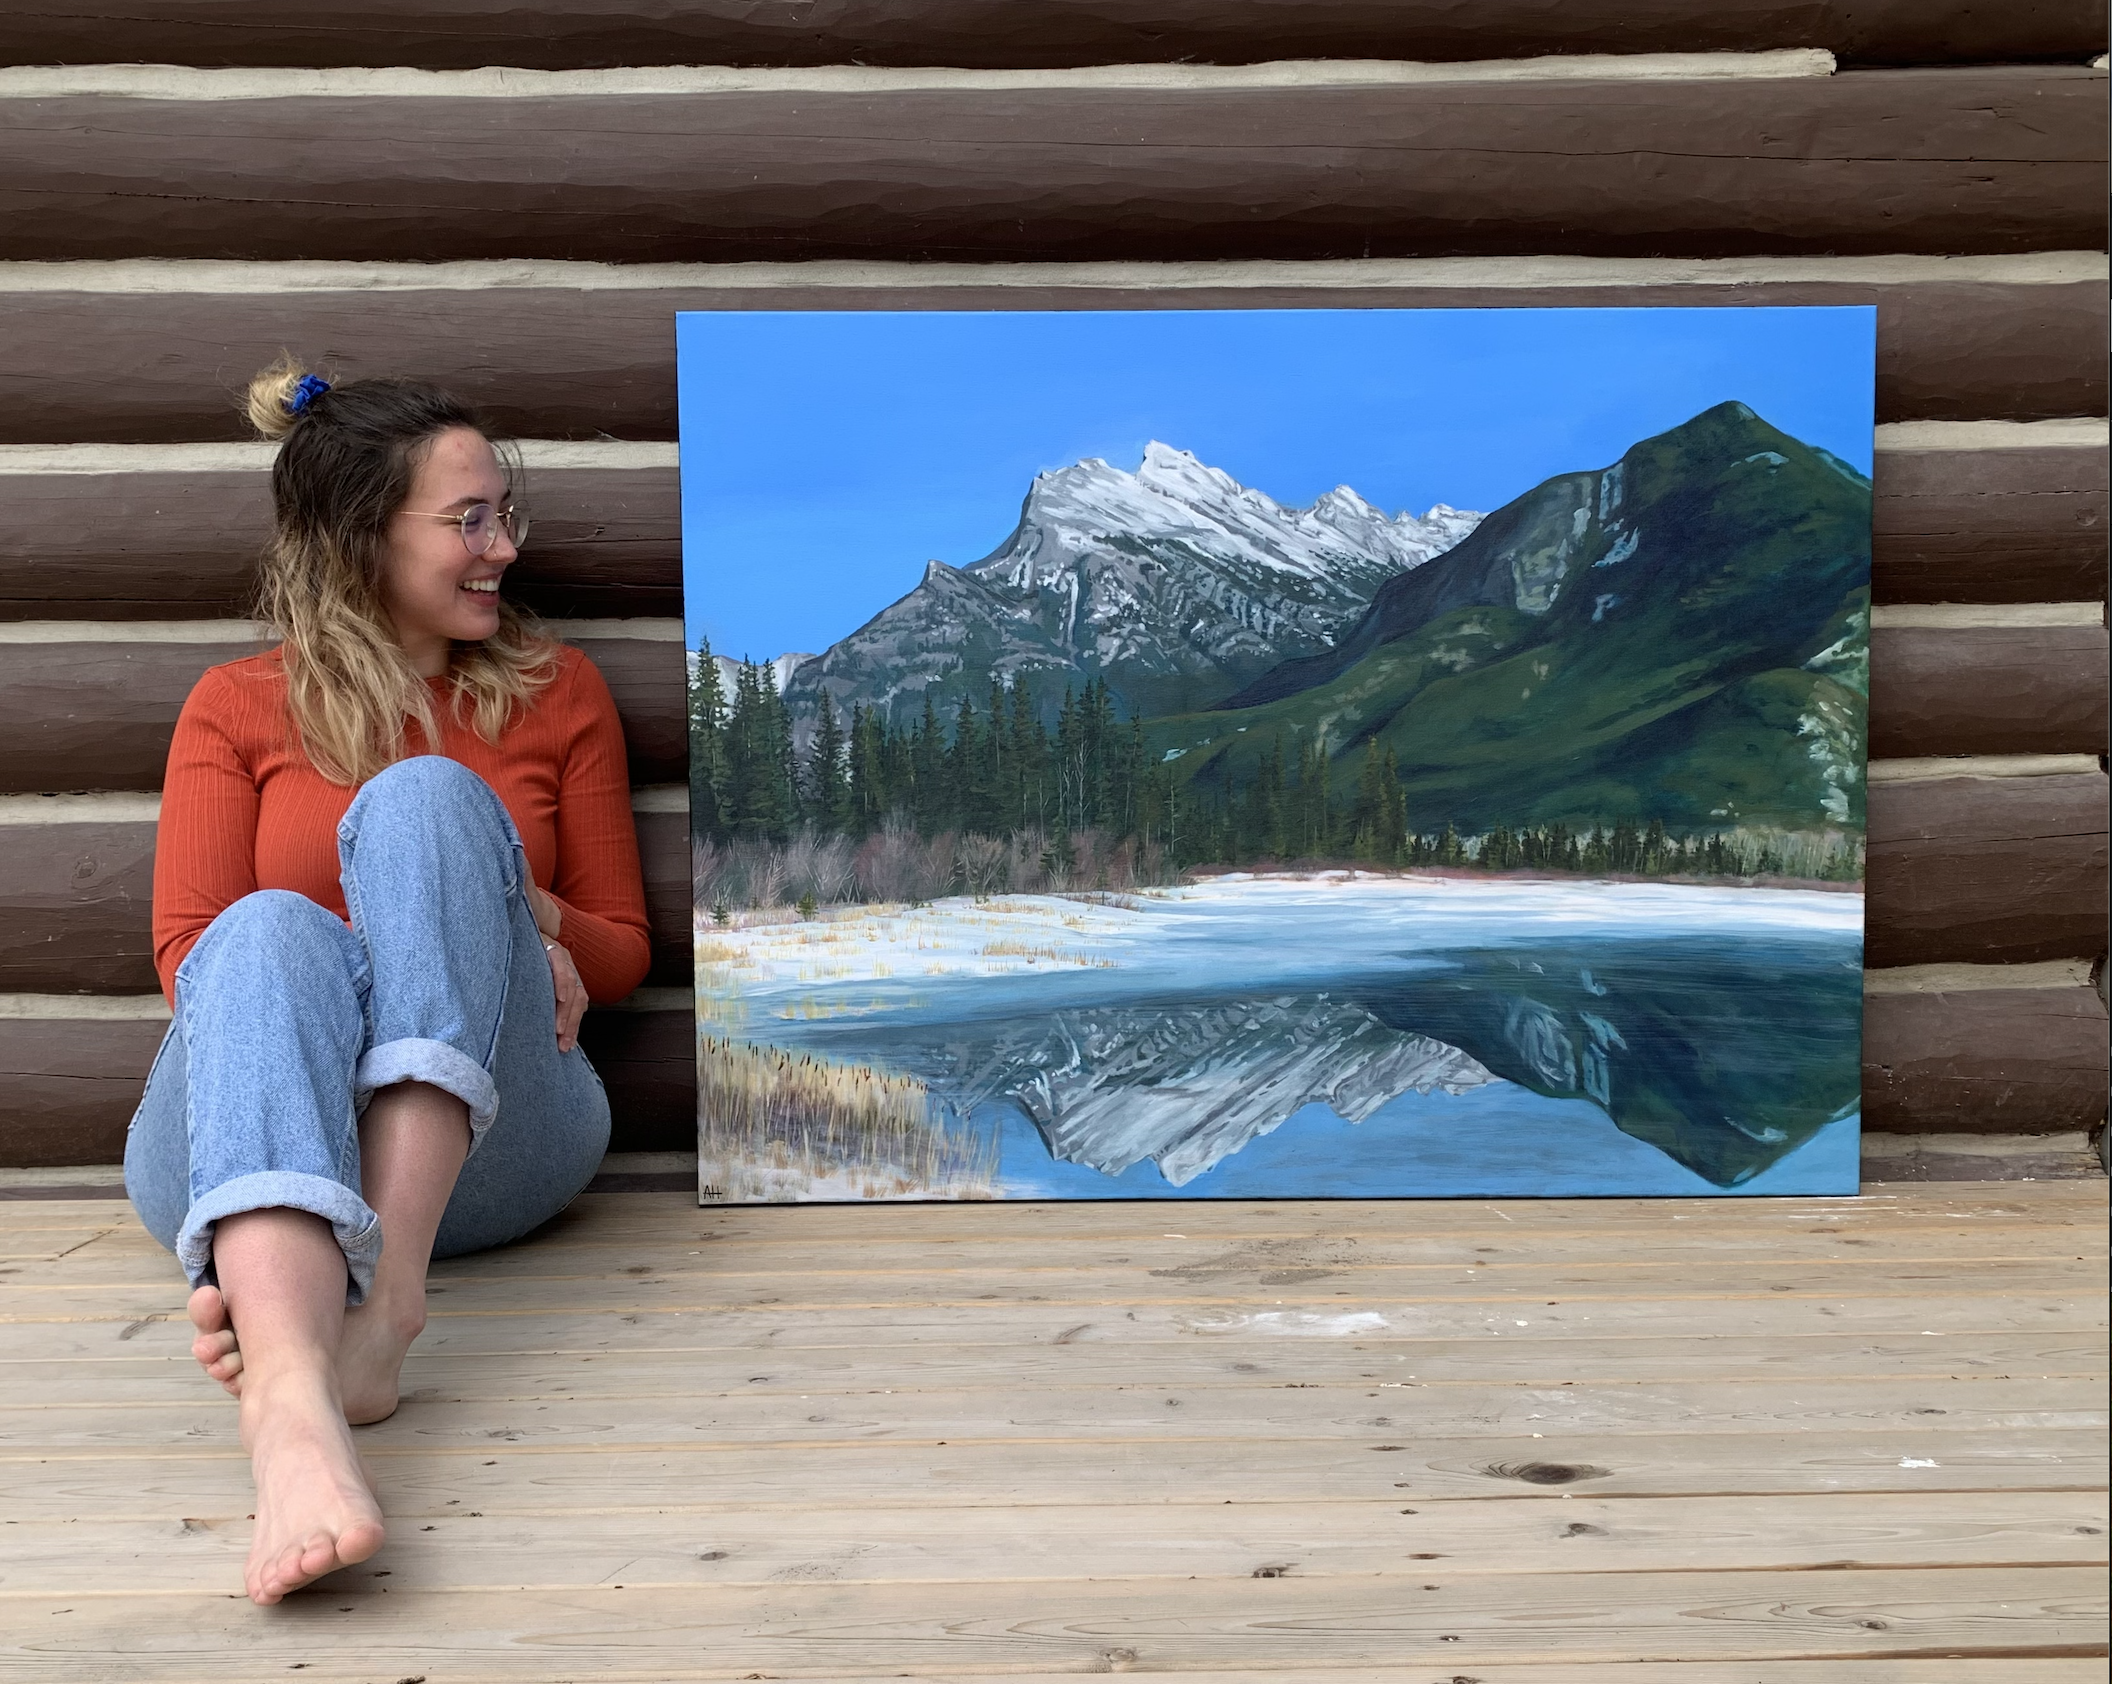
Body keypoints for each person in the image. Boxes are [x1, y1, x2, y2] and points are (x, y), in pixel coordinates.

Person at [124, 361, 652, 1606]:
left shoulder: (556, 691)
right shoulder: (236, 706)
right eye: (467, 519)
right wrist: (366, 947)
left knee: (427, 804)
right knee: (256, 931)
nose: (503, 546)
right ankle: (300, 1410)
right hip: (247, 1139)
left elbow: (619, 949)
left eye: (503, 512)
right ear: (363, 534)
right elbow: (189, 960)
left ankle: (383, 1300)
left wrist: (513, 909)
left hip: (499, 1150)